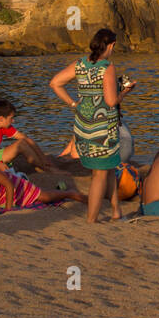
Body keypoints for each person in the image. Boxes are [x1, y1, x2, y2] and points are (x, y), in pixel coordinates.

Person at [49, 28, 134, 223]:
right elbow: (111, 101)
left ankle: (115, 211)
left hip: (84, 125)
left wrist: (73, 103)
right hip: (103, 128)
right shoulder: (107, 67)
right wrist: (126, 91)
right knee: (99, 175)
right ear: (111, 45)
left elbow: (55, 83)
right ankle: (91, 220)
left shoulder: (80, 64)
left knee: (110, 167)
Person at [0, 154, 87, 211]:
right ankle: (61, 190)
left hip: (15, 186)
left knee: (44, 197)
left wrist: (8, 207)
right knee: (38, 201)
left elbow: (8, 185)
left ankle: (70, 193)